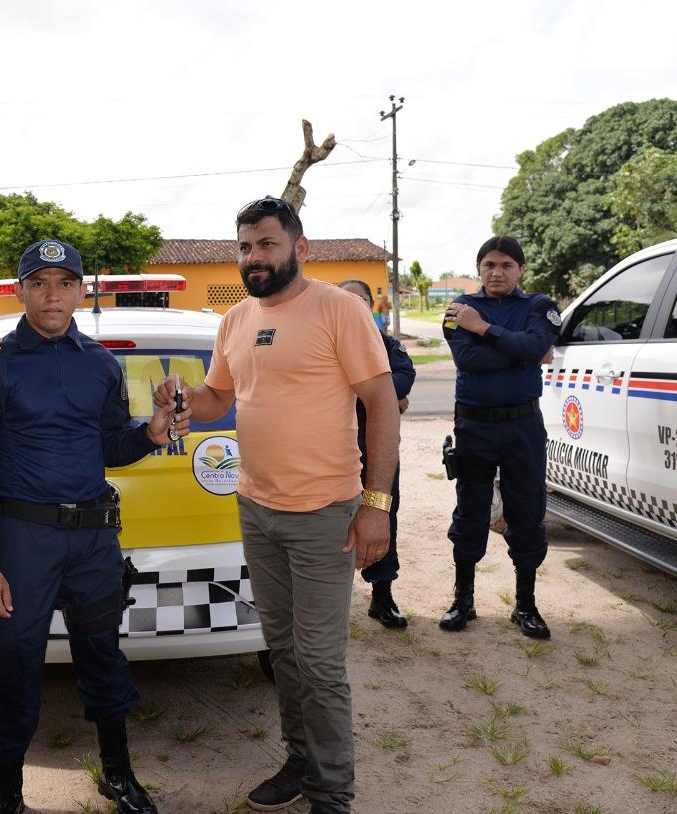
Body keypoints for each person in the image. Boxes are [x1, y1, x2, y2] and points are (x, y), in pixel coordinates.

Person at [155, 197, 399, 814]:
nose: (254, 257)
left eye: (266, 244)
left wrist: (377, 504)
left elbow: (383, 403)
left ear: (300, 247)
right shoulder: (235, 320)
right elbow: (218, 397)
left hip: (325, 513)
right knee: (283, 650)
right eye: (244, 246)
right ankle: (301, 761)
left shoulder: (337, 309)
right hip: (256, 507)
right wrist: (183, 397)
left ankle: (333, 793)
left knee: (319, 661)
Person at [0, 239, 188, 814]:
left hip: (93, 542)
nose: (52, 294)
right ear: (21, 291)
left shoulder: (102, 365)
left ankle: (118, 773)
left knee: (104, 657)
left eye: (64, 283)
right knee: (12, 662)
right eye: (39, 283)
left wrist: (151, 433)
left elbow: (111, 443)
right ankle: (9, 788)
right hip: (22, 542)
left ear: (82, 290)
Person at [439, 235, 559, 640]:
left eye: (507, 265)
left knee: (526, 512)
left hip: (523, 427)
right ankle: (463, 600)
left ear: (521, 269)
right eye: (489, 264)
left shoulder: (539, 307)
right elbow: (468, 357)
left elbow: (536, 343)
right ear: (479, 269)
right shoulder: (459, 307)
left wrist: (484, 328)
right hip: (474, 427)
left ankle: (525, 605)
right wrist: (523, 351)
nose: (497, 272)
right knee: (470, 512)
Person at [339, 279, 415, 628]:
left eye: (361, 300)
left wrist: (365, 390)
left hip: (376, 451)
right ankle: (333, 604)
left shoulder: (385, 343)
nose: (354, 306)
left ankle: (382, 595)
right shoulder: (326, 342)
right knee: (330, 523)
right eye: (346, 300)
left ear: (370, 305)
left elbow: (405, 375)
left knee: (383, 514)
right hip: (333, 453)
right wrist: (376, 391)